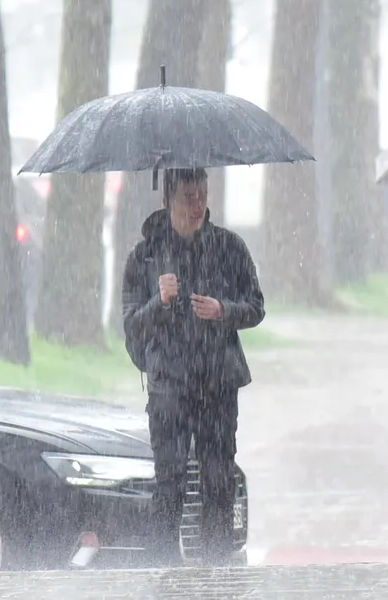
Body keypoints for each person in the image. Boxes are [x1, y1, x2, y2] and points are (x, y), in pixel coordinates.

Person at [122, 168, 265, 564]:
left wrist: (224, 310)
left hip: (218, 382)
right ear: (167, 200)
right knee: (168, 483)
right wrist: (159, 301)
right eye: (188, 195)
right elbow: (131, 326)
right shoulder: (145, 256)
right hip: (169, 387)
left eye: (202, 194)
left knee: (218, 480)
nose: (197, 203)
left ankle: (215, 570)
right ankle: (164, 569)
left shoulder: (229, 247)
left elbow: (256, 307)